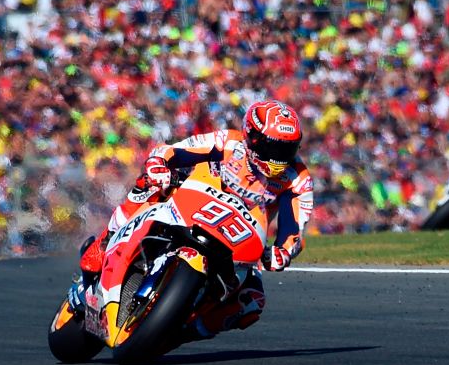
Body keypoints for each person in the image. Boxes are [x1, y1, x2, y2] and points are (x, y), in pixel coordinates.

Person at [69, 100, 314, 340]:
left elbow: (294, 229)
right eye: (274, 148)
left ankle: (183, 331)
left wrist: (282, 251)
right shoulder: (228, 142)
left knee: (251, 302)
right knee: (150, 184)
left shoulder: (298, 179)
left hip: (236, 236)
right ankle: (105, 241)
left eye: (287, 149)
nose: (279, 157)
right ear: (252, 137)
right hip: (190, 202)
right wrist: (159, 165)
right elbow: (171, 151)